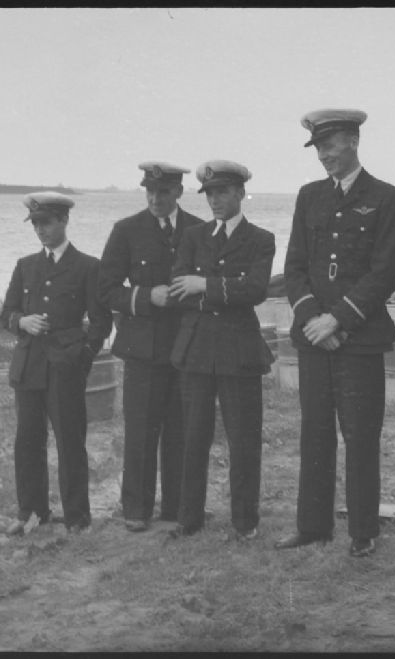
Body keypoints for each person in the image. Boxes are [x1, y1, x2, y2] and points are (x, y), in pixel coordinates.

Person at [277, 109, 395, 558]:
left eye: (330, 146)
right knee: (314, 433)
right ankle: (312, 527)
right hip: (314, 337)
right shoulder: (309, 196)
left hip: (359, 338)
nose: (324, 156)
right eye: (318, 149)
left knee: (360, 435)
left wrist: (339, 320)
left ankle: (362, 531)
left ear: (353, 141)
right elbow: (295, 267)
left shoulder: (385, 197)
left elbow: (384, 271)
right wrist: (314, 319)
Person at [167, 160, 275, 541]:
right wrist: (222, 290)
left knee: (243, 439)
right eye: (210, 194)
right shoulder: (193, 236)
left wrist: (204, 285)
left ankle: (245, 522)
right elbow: (178, 288)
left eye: (223, 192)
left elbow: (255, 290)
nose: (215, 200)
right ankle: (189, 518)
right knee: (192, 436)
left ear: (241, 193)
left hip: (239, 350)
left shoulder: (260, 239)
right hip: (197, 348)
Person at [98, 162, 204, 532]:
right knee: (141, 432)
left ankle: (176, 508)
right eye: (150, 191)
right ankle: (136, 509)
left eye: (163, 192)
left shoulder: (199, 230)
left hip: (186, 347)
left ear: (179, 192)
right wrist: (146, 297)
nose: (155, 198)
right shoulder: (126, 230)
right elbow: (106, 289)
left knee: (181, 431)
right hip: (143, 349)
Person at [0, 191, 113, 536]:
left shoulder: (88, 267)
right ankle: (31, 512)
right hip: (29, 367)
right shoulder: (25, 266)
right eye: (35, 224)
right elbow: (6, 313)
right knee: (27, 441)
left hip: (65, 369)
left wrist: (83, 357)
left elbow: (101, 322)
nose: (40, 230)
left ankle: (77, 516)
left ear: (64, 220)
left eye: (46, 222)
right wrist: (22, 321)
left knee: (69, 442)